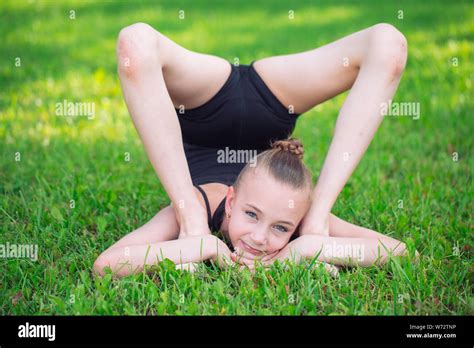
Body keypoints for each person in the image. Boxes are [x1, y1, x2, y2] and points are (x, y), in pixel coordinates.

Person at [93, 22, 415, 277]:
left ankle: (321, 219)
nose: (260, 238)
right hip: (215, 103)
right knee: (134, 42)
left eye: (280, 229)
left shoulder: (293, 213)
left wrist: (307, 245)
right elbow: (106, 265)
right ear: (231, 202)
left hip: (262, 103)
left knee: (390, 44)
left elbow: (403, 253)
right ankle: (190, 221)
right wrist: (201, 241)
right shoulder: (201, 203)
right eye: (251, 214)